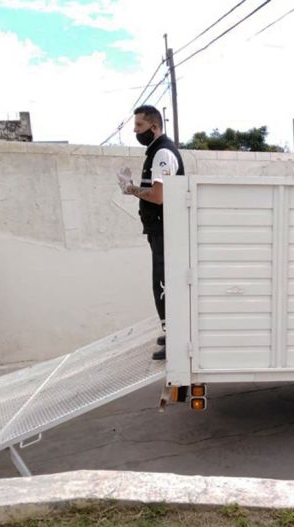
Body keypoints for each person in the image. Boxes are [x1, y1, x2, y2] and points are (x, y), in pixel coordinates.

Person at [120, 104, 184, 360]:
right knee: (163, 283)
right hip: (159, 230)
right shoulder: (155, 152)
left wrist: (131, 190)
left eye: (139, 126)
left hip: (165, 230)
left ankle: (175, 339)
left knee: (164, 285)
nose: (135, 130)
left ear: (154, 127)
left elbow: (159, 197)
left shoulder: (162, 154)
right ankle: (172, 333)